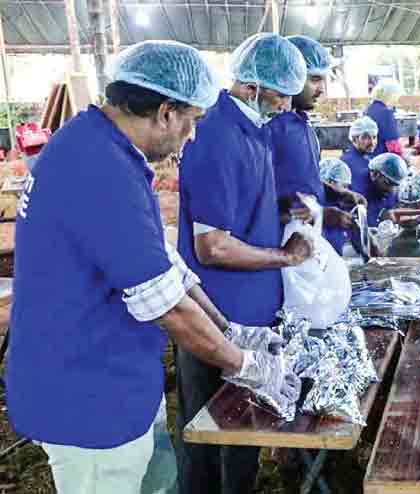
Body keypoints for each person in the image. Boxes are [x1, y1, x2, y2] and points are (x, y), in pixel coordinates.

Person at [7, 41, 294, 494]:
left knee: (156, 478)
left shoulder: (97, 143)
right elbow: (165, 305)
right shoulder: (100, 169)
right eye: (192, 121)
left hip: (119, 378)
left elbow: (165, 262)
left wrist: (230, 329)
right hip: (87, 397)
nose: (193, 136)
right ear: (165, 112)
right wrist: (246, 365)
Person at [176, 34, 312, 494]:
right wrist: (285, 256)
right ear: (252, 85)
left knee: (244, 431)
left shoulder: (254, 131)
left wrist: (285, 211)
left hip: (250, 315)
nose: (288, 101)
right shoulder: (217, 136)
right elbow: (212, 247)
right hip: (218, 318)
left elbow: (243, 210)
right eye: (281, 91)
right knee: (211, 431)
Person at [269, 35, 356, 237]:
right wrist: (320, 214)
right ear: (289, 75)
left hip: (305, 240)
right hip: (277, 246)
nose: (322, 90)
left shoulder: (301, 122)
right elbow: (260, 198)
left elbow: (302, 182)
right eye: (315, 79)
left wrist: (336, 193)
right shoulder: (270, 128)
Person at [341, 115, 379, 194]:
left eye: (374, 137)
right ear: (354, 139)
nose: (372, 143)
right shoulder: (348, 163)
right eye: (366, 138)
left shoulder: (368, 157)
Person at [365, 79, 404, 155]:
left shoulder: (369, 109)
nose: (396, 100)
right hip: (382, 156)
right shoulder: (386, 113)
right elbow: (393, 145)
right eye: (396, 96)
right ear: (390, 95)